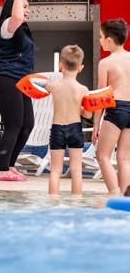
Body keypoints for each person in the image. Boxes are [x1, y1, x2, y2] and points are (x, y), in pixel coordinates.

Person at [0, 0, 35, 182]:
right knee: (14, 125)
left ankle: (9, 165)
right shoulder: (8, 25)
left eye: (27, 6)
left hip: (21, 82)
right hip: (6, 80)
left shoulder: (23, 30)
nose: (27, 10)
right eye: (24, 6)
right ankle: (1, 170)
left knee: (27, 125)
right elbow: (16, 16)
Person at [44, 45, 91, 196]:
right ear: (81, 68)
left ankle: (53, 200)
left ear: (60, 66)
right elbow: (88, 115)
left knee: (55, 170)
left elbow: (40, 87)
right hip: (75, 128)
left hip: (57, 129)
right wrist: (79, 109)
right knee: (76, 169)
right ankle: (76, 201)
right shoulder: (83, 89)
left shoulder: (53, 86)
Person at [94, 18, 130, 195]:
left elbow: (102, 96)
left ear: (109, 40)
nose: (100, 41)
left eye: (101, 37)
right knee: (125, 158)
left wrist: (96, 125)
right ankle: (126, 198)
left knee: (102, 156)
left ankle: (115, 194)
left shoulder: (106, 63)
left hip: (117, 109)